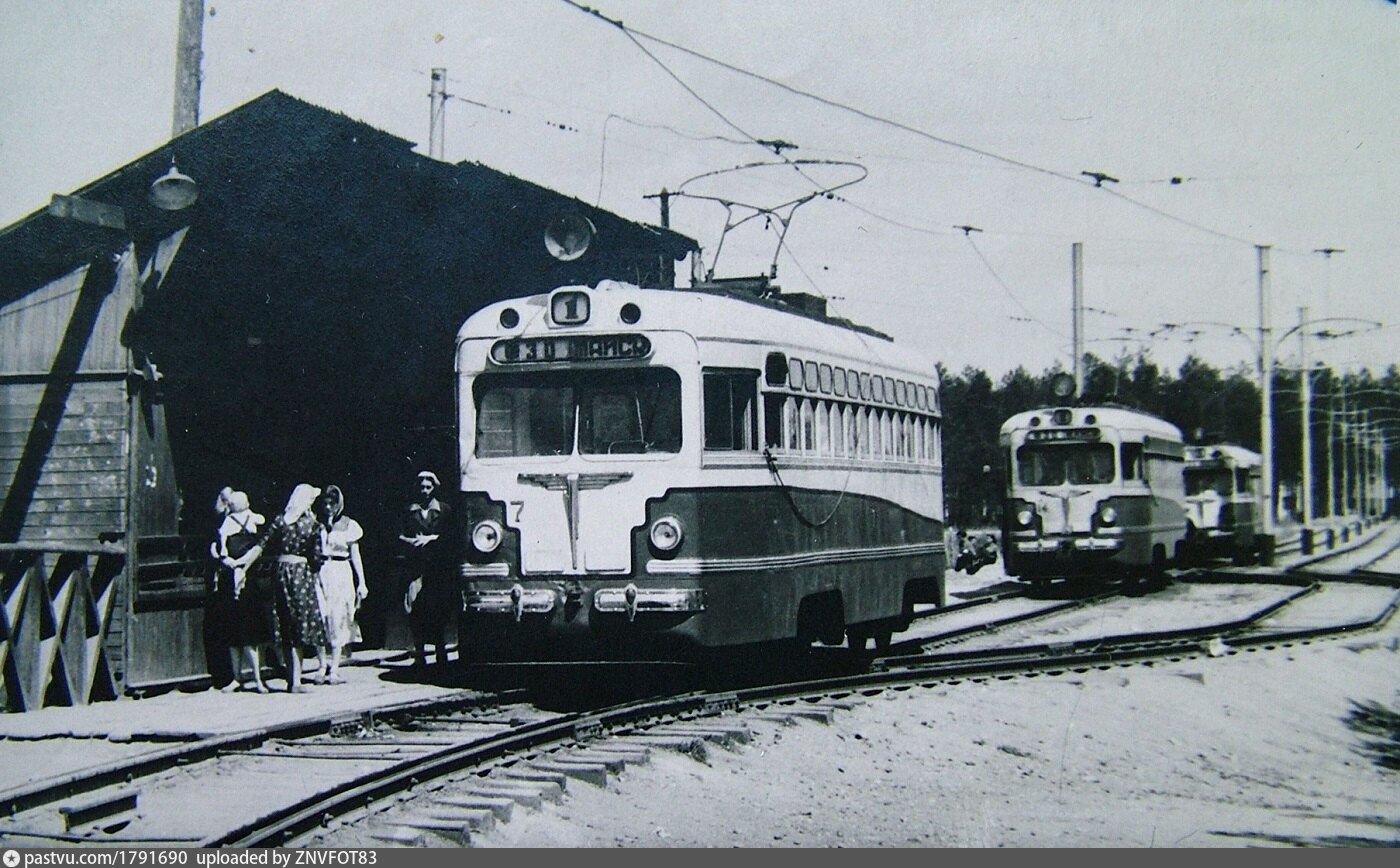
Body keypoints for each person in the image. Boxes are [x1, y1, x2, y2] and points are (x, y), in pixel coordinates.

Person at [238, 483, 329, 693]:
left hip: (280, 573)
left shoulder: (281, 521)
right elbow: (316, 559)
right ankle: (296, 681)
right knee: (298, 626)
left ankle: (293, 678)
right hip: (300, 574)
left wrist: (243, 567)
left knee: (286, 624)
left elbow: (261, 545)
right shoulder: (313, 526)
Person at [210, 489, 270, 693]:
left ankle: (253, 677)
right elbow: (222, 547)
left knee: (245, 630)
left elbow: (226, 548)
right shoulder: (241, 520)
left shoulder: (241, 521)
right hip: (237, 575)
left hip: (244, 576)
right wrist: (232, 562)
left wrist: (235, 563)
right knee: (237, 630)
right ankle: (243, 677)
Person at [399, 470, 456, 667]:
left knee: (437, 609)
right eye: (421, 487)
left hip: (437, 568)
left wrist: (432, 539)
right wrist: (412, 542)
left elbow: (452, 536)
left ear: (434, 488)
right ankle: (420, 654)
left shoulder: (444, 510)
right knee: (415, 609)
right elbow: (399, 535)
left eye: (428, 487)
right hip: (416, 567)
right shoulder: (408, 511)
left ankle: (441, 653)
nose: (424, 491)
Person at [313, 485, 367, 685]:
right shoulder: (316, 525)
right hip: (320, 572)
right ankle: (321, 665)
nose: (328, 508)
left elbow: (355, 555)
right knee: (320, 616)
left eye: (332, 504)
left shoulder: (349, 525)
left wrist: (362, 581)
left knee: (338, 618)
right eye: (325, 504)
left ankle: (334, 669)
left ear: (339, 504)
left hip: (340, 572)